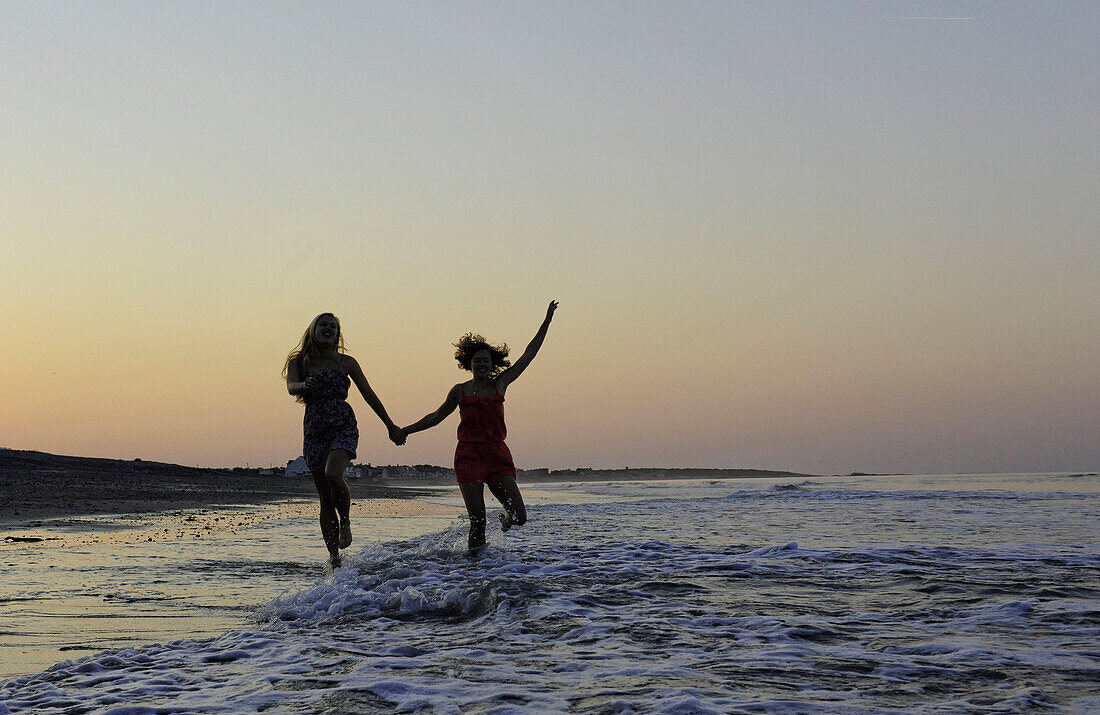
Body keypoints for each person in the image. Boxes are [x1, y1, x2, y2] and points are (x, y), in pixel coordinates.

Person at [401, 301, 558, 553]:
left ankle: (505, 521)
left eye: (486, 361)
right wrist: (406, 430)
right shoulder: (460, 391)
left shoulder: (500, 384)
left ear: (492, 364)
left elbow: (528, 355)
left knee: (519, 516)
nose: (482, 365)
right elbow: (436, 416)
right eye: (477, 361)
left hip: (497, 455)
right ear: (469, 364)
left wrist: (547, 321)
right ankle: (475, 570)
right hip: (469, 456)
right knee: (478, 521)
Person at [284, 312, 405, 566]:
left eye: (333, 326)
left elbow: (369, 394)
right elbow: (291, 386)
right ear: (313, 330)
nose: (328, 329)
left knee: (333, 474)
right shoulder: (300, 360)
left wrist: (390, 425)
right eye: (323, 325)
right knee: (325, 497)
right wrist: (304, 385)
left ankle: (346, 522)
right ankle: (334, 558)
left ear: (338, 334)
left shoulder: (347, 362)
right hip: (315, 427)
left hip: (342, 422)